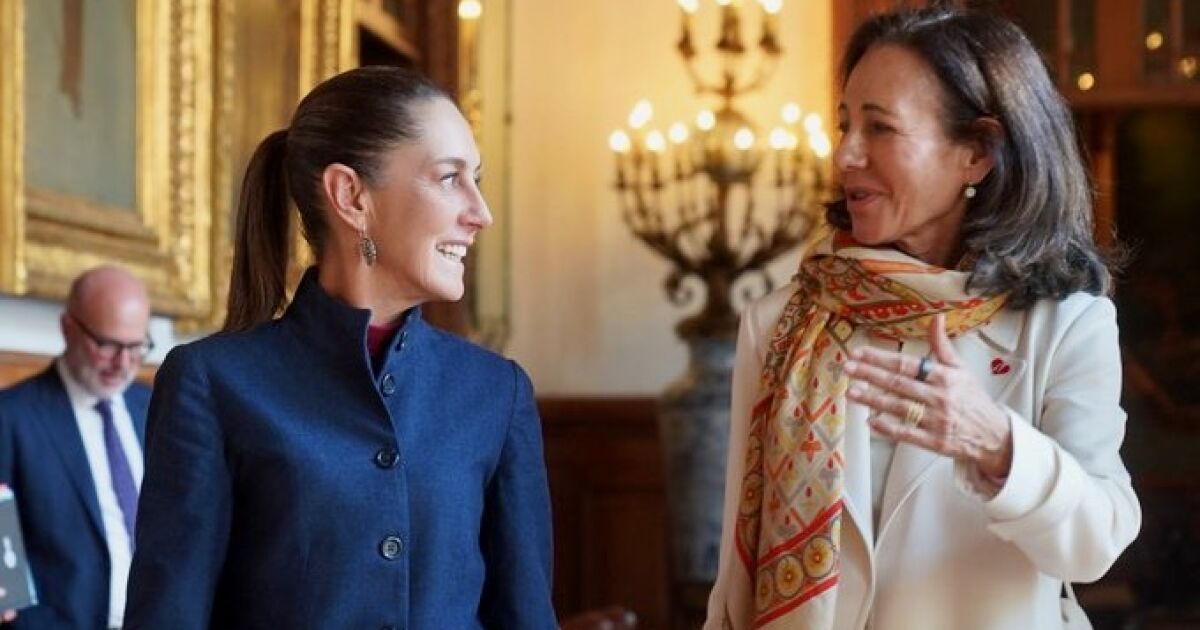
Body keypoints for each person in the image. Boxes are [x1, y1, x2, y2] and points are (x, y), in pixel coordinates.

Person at [704, 6, 1140, 629]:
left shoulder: (1068, 322)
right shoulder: (777, 323)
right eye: (844, 124)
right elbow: (733, 579)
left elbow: (1098, 542)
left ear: (978, 154)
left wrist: (996, 445)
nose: (847, 152)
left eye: (879, 128)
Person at [123, 66, 556, 629]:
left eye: (476, 179)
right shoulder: (211, 382)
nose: (480, 212)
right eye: (450, 178)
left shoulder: (498, 392)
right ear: (351, 195)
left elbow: (526, 617)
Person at [0, 265, 153, 629]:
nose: (122, 363)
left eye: (136, 347)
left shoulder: (155, 407)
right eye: (107, 345)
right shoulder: (10, 418)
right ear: (68, 328)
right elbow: (6, 572)